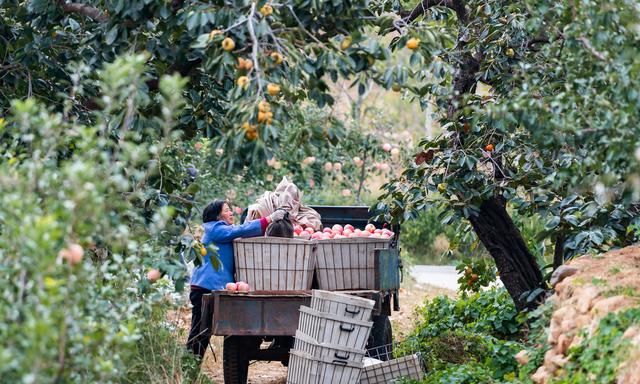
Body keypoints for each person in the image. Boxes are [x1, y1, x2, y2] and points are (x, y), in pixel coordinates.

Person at [186, 199, 286, 359]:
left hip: (210, 287)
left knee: (203, 330)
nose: (230, 213)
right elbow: (238, 231)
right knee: (200, 331)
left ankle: (190, 368)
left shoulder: (221, 229)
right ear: (217, 216)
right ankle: (188, 369)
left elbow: (241, 231)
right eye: (226, 210)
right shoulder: (214, 229)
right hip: (204, 287)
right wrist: (268, 219)